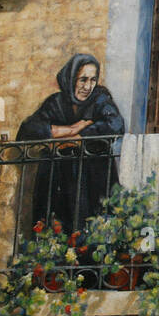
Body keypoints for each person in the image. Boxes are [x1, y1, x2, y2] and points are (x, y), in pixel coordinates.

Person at [16, 53, 125, 234]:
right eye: (82, 80)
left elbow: (116, 124)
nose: (87, 87)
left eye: (92, 80)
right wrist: (69, 130)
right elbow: (28, 128)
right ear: (70, 78)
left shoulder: (100, 98)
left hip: (93, 176)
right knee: (57, 226)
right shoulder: (56, 102)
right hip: (58, 177)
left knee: (92, 227)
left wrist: (79, 138)